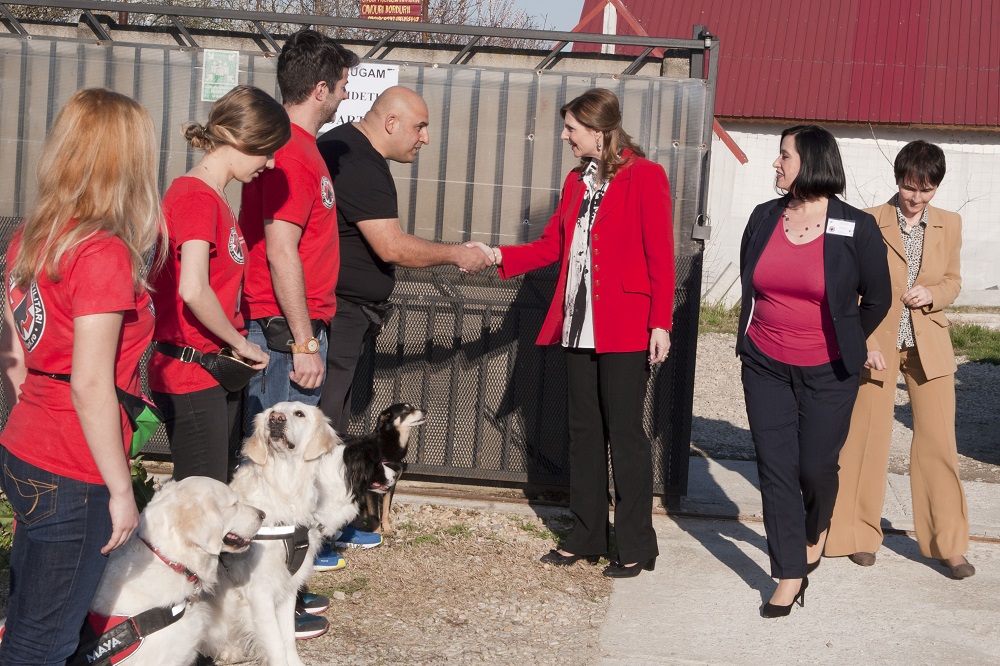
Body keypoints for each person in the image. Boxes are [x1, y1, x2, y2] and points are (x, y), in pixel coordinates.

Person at [0, 88, 165, 663]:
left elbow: (15, 353)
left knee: (26, 618)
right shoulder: (101, 253)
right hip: (74, 465)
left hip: (27, 445)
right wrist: (122, 490)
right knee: (44, 641)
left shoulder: (32, 236)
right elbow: (90, 383)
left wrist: (36, 414)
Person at [486, 88, 675, 579]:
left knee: (626, 435)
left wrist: (661, 322)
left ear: (599, 131)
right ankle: (587, 535)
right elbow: (552, 246)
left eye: (571, 128)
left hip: (628, 327)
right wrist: (498, 256)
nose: (566, 136)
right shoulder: (576, 183)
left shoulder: (647, 176)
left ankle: (635, 543)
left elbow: (661, 255)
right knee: (584, 433)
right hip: (577, 323)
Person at [736, 125, 891, 617]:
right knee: (775, 466)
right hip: (765, 362)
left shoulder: (856, 226)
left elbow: (879, 298)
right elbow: (752, 282)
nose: (776, 164)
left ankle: (816, 525)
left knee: (815, 466)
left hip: (828, 371)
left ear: (813, 161)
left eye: (784, 156)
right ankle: (788, 573)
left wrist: (848, 339)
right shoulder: (763, 217)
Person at [825, 140, 974, 578]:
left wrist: (934, 294)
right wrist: (862, 341)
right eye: (910, 187)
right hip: (877, 347)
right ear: (898, 179)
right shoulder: (868, 220)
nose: (916, 198)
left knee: (938, 444)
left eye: (926, 191)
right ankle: (855, 533)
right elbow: (849, 288)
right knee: (865, 440)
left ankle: (949, 544)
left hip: (930, 346)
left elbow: (953, 280)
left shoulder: (951, 223)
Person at [316, 85, 492, 435]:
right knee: (324, 425)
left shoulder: (350, 148)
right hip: (341, 311)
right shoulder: (359, 161)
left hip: (342, 309)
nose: (425, 138)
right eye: (420, 127)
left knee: (330, 421)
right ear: (392, 123)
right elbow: (391, 246)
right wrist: (457, 253)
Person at [148, 85, 289, 483]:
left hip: (213, 369)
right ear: (241, 140)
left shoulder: (214, 196)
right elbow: (193, 288)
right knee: (201, 497)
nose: (271, 161)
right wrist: (242, 342)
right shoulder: (197, 197)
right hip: (192, 371)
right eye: (267, 149)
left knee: (212, 492)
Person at [239, 28, 359, 421]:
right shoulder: (291, 152)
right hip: (283, 334)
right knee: (275, 465)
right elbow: (280, 249)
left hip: (291, 330)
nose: (345, 95)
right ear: (320, 89)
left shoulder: (303, 148)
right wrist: (304, 342)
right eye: (342, 86)